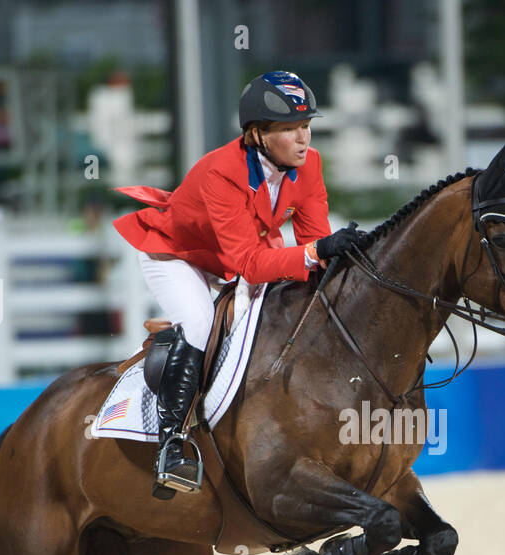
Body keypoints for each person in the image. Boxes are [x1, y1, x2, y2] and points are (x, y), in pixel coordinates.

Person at [113, 70, 363, 497]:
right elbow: (251, 263)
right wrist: (316, 251)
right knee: (198, 320)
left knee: (278, 316)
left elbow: (312, 244)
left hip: (236, 253)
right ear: (259, 134)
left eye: (306, 126)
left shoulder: (310, 165)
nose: (304, 139)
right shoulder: (221, 173)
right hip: (175, 253)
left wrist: (335, 259)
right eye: (289, 129)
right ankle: (172, 442)